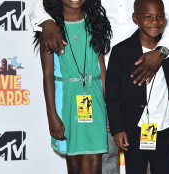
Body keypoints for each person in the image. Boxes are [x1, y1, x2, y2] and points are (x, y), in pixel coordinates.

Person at [29, 0, 169, 173]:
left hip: (135, 78)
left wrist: (161, 51)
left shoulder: (165, 53)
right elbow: (39, 6)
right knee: (106, 160)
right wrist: (47, 22)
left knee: (160, 162)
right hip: (110, 85)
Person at [105, 0, 169, 173]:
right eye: (148, 17)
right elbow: (113, 94)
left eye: (160, 17)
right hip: (134, 129)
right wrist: (117, 128)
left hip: (164, 128)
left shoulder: (168, 50)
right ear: (136, 18)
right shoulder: (121, 51)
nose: (155, 22)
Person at [35, 0, 112, 174]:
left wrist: (111, 109)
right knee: (75, 165)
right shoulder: (50, 29)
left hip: (95, 100)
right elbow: (47, 75)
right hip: (67, 102)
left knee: (94, 163)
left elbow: (102, 67)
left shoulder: (96, 22)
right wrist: (52, 115)